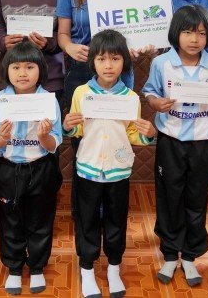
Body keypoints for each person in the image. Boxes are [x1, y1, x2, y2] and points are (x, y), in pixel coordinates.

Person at [63, 29, 157, 298]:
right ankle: (87, 269)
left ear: (124, 62)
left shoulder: (130, 97)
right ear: (92, 61)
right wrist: (68, 126)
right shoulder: (81, 93)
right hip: (88, 169)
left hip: (118, 172)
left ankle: (114, 268)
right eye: (102, 59)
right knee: (87, 221)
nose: (108, 65)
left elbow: (132, 133)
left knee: (116, 221)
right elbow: (78, 131)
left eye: (115, 59)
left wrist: (148, 134)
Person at [142, 5, 208, 287]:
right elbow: (150, 92)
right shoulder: (161, 63)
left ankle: (190, 255)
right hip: (171, 140)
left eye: (202, 33)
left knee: (197, 196)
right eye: (189, 32)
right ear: (175, 33)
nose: (195, 39)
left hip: (204, 141)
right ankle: (170, 253)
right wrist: (155, 103)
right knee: (169, 195)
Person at [0, 42, 63, 295]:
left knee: (40, 219)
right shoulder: (0, 100)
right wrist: (2, 137)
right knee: (10, 219)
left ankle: (37, 266)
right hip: (9, 170)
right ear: (7, 70)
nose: (22, 73)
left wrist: (43, 137)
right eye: (16, 67)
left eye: (29, 67)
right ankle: (15, 268)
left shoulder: (48, 100)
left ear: (40, 70)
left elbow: (54, 144)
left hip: (41, 168)